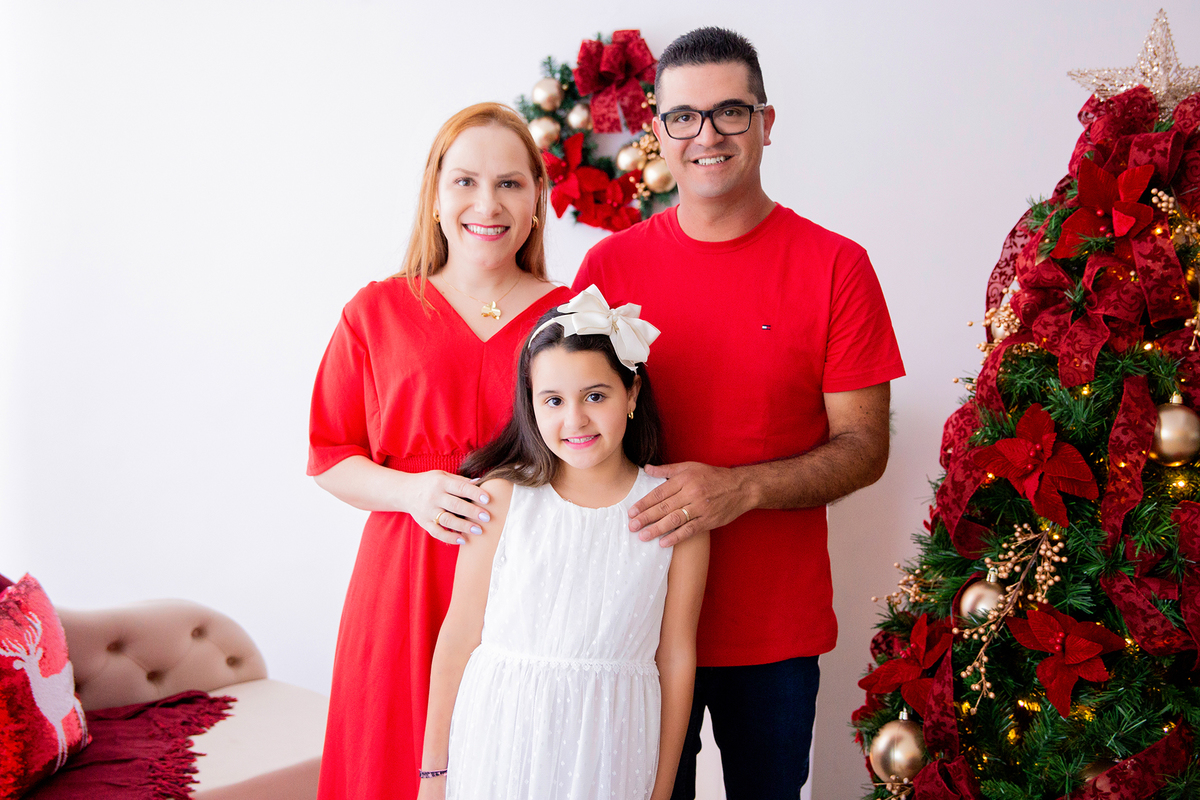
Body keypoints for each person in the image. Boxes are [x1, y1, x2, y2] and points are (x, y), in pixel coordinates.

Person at [572, 27, 906, 799]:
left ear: (766, 122)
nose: (708, 135)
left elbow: (864, 446)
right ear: (658, 131)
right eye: (684, 117)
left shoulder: (837, 266)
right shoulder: (607, 269)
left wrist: (741, 488)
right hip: (632, 622)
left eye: (731, 111)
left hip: (772, 632)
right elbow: (567, 430)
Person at [307, 102, 573, 800]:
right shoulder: (375, 311)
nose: (487, 202)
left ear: (538, 201)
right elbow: (331, 453)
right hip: (404, 580)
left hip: (529, 582)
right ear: (434, 196)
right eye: (465, 181)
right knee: (393, 765)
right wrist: (412, 492)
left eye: (511, 183)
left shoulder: (576, 316)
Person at [416, 289, 710, 800]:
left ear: (632, 394)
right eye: (552, 400)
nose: (573, 420)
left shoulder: (673, 513)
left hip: (611, 747)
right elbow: (457, 639)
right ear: (531, 405)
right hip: (498, 738)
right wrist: (433, 778)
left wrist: (662, 789)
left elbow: (676, 656)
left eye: (595, 396)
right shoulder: (502, 498)